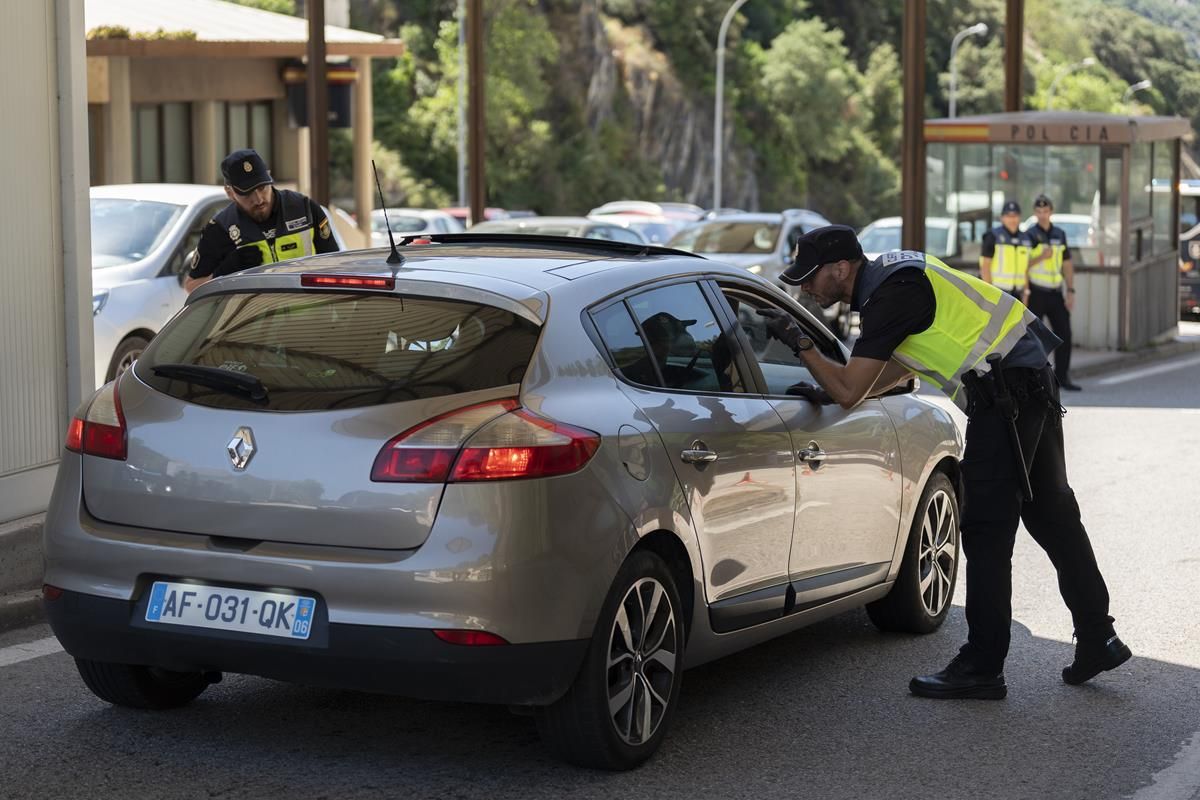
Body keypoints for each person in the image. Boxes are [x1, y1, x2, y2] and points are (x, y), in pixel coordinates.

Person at [759, 224, 1129, 700]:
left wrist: (803, 347)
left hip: (1005, 393)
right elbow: (891, 368)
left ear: (841, 268)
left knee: (986, 529)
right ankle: (1099, 636)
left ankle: (982, 663)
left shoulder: (887, 297)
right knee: (1052, 512)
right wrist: (831, 386)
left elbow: (851, 389)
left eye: (811, 277)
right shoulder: (895, 277)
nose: (805, 287)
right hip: (1028, 379)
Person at [184, 148, 339, 293]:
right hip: (254, 321)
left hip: (312, 318)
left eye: (262, 187)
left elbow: (336, 265)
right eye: (247, 193)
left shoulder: (305, 209)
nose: (258, 199)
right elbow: (191, 287)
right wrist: (222, 273)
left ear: (270, 178)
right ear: (229, 192)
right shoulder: (220, 229)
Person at [1025, 194, 1082, 391]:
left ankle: (1062, 378)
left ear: (1051, 212)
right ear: (1034, 213)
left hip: (1056, 292)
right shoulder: (1029, 235)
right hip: (1036, 292)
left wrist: (1071, 290)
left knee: (1064, 334)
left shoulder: (1059, 234)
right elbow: (1022, 264)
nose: (1042, 215)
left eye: (1046, 211)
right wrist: (1041, 257)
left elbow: (1067, 264)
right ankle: (1036, 381)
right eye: (1039, 212)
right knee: (1035, 339)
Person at [980, 200, 1033, 299]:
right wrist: (990, 293)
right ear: (1002, 218)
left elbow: (1025, 269)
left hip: (1019, 293)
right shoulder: (992, 236)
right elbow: (985, 267)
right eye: (1008, 216)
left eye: (1015, 216)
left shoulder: (1025, 239)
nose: (1012, 219)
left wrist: (1026, 291)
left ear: (1019, 217)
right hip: (998, 292)